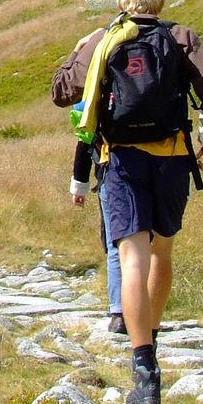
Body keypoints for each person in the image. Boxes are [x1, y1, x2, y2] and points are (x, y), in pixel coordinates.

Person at [52, 0, 203, 404]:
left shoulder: (106, 40)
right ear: (160, 1)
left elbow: (62, 92)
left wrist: (77, 51)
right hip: (172, 157)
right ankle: (151, 335)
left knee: (132, 257)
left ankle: (145, 370)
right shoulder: (181, 36)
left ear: (123, 1)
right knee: (162, 254)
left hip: (122, 160)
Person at [69, 102, 125, 335]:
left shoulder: (94, 91)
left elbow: (84, 141)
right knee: (152, 244)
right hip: (157, 167)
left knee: (116, 245)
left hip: (110, 173)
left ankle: (119, 313)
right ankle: (148, 308)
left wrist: (79, 186)